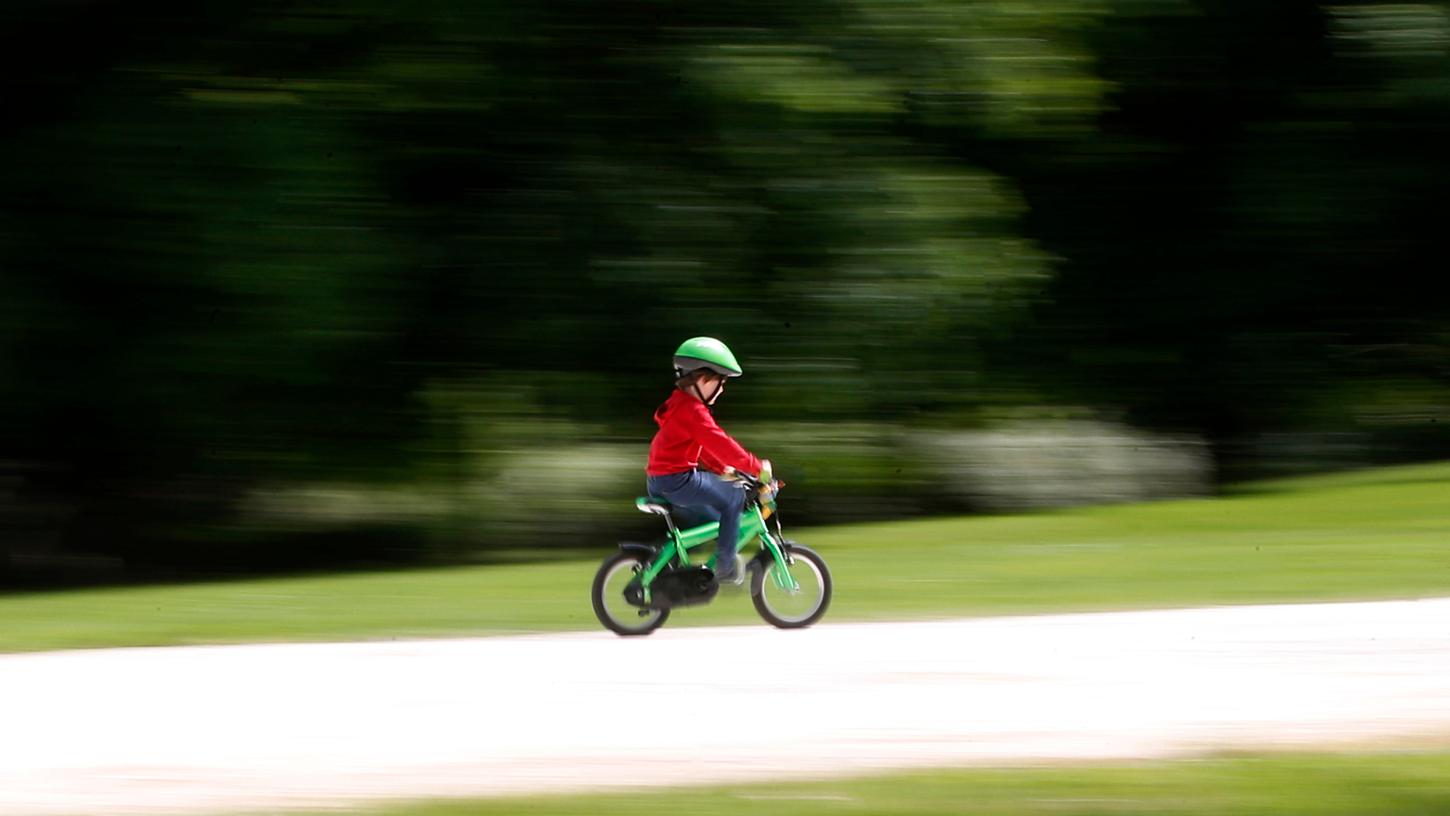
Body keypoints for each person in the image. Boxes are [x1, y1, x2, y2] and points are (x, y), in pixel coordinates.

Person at [645, 336, 771, 585]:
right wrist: (757, 467)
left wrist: (721, 469)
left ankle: (688, 565)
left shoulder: (680, 405)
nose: (722, 389)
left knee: (719, 516)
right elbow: (722, 444)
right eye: (720, 381)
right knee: (734, 496)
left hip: (663, 480)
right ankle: (725, 567)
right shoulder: (694, 412)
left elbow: (700, 448)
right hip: (677, 481)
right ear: (703, 379)